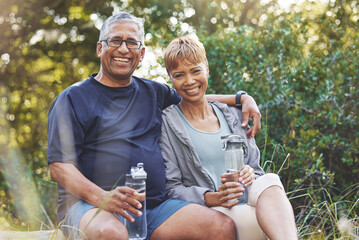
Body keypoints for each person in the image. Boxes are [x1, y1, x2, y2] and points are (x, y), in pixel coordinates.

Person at [47, 12, 262, 240]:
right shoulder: (73, 98)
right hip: (91, 205)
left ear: (141, 55)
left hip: (154, 207)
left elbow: (193, 94)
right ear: (100, 48)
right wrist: (103, 198)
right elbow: (59, 167)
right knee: (112, 234)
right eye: (115, 41)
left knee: (220, 227)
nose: (123, 49)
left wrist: (241, 98)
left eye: (132, 43)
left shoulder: (153, 92)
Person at [159, 35, 298, 240]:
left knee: (270, 180)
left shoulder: (233, 115)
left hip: (250, 207)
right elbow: (172, 188)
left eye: (196, 71)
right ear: (170, 77)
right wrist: (214, 198)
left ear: (206, 68)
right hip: (211, 216)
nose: (189, 81)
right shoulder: (168, 123)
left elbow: (257, 173)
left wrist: (250, 174)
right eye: (179, 75)